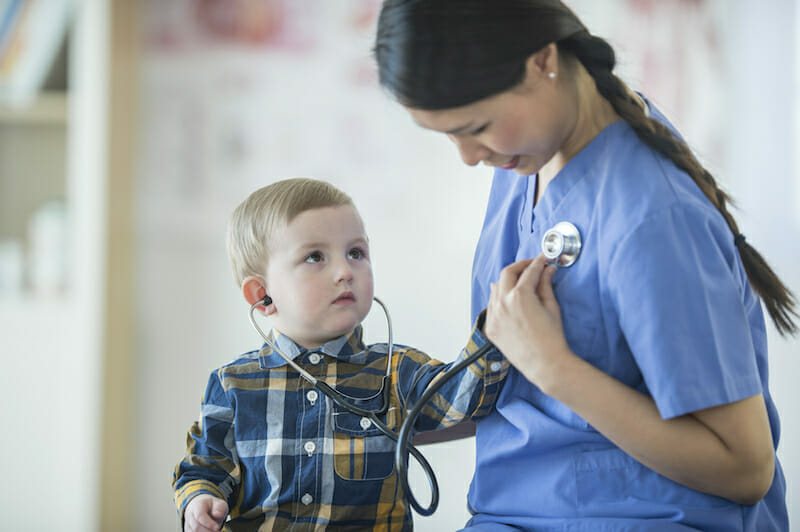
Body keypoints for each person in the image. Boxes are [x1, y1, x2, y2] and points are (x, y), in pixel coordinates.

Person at [373, 0, 798, 530]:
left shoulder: (655, 216)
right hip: (515, 513)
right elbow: (516, 390)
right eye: (448, 134)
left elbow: (746, 467)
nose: (467, 155)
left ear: (542, 61)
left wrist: (555, 369)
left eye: (475, 125)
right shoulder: (524, 159)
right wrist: (354, 417)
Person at [172, 177, 509, 531]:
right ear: (263, 294)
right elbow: (206, 464)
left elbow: (461, 398)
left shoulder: (397, 371)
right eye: (315, 256)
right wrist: (199, 498)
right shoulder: (232, 385)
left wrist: (498, 330)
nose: (345, 271)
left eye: (356, 253)